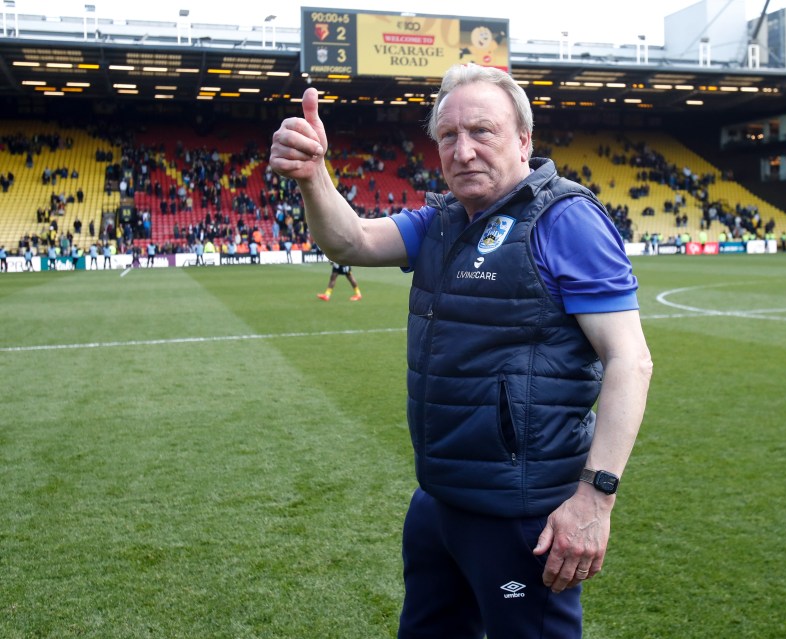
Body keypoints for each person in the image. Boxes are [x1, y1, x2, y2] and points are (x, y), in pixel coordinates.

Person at [270, 63, 653, 639]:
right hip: (439, 501)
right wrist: (312, 174)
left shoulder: (565, 219)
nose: (463, 150)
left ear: (524, 140)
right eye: (448, 136)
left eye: (482, 131)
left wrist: (594, 499)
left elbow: (631, 360)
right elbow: (350, 239)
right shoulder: (443, 219)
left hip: (522, 513)